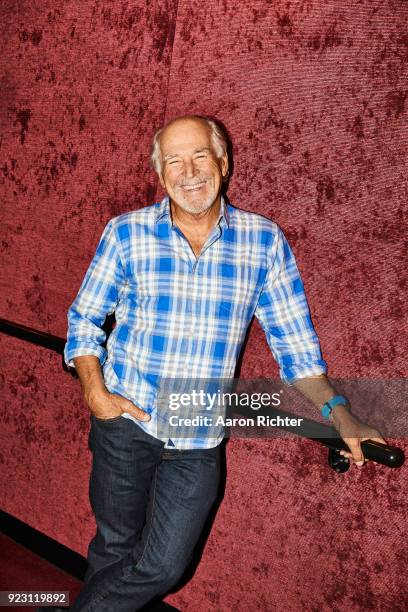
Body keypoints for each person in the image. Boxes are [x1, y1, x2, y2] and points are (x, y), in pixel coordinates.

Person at [47, 115, 384, 612]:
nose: (189, 172)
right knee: (114, 549)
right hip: (124, 423)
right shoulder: (127, 233)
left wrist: (340, 411)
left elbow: (295, 346)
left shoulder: (264, 241)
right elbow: (84, 320)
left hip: (198, 437)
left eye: (200, 155)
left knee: (163, 566)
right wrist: (95, 393)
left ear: (223, 163)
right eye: (174, 161)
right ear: (161, 174)